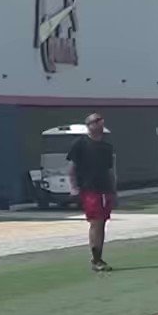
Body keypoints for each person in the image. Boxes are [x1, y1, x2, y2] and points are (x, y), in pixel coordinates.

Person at [67, 113, 118, 272]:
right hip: (89, 189)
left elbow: (110, 170)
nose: (100, 124)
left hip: (105, 189)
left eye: (101, 121)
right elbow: (71, 168)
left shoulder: (106, 147)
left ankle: (99, 256)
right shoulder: (80, 143)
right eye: (96, 122)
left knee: (102, 222)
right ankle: (96, 259)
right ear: (89, 125)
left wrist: (114, 190)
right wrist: (73, 186)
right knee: (95, 222)